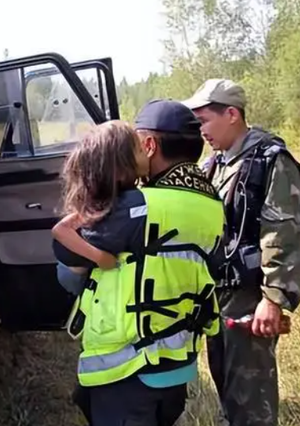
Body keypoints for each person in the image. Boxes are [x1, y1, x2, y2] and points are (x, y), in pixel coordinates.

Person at [52, 101, 226, 426]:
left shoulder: (139, 205)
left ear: (150, 145)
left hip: (126, 369)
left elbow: (68, 267)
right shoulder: (212, 204)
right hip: (178, 361)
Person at [182, 79, 300, 426]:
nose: (201, 131)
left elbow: (284, 232)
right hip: (218, 294)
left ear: (231, 114)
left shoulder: (270, 160)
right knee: (227, 386)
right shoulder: (217, 163)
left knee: (251, 398)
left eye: (204, 121)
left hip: (250, 295)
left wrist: (272, 299)